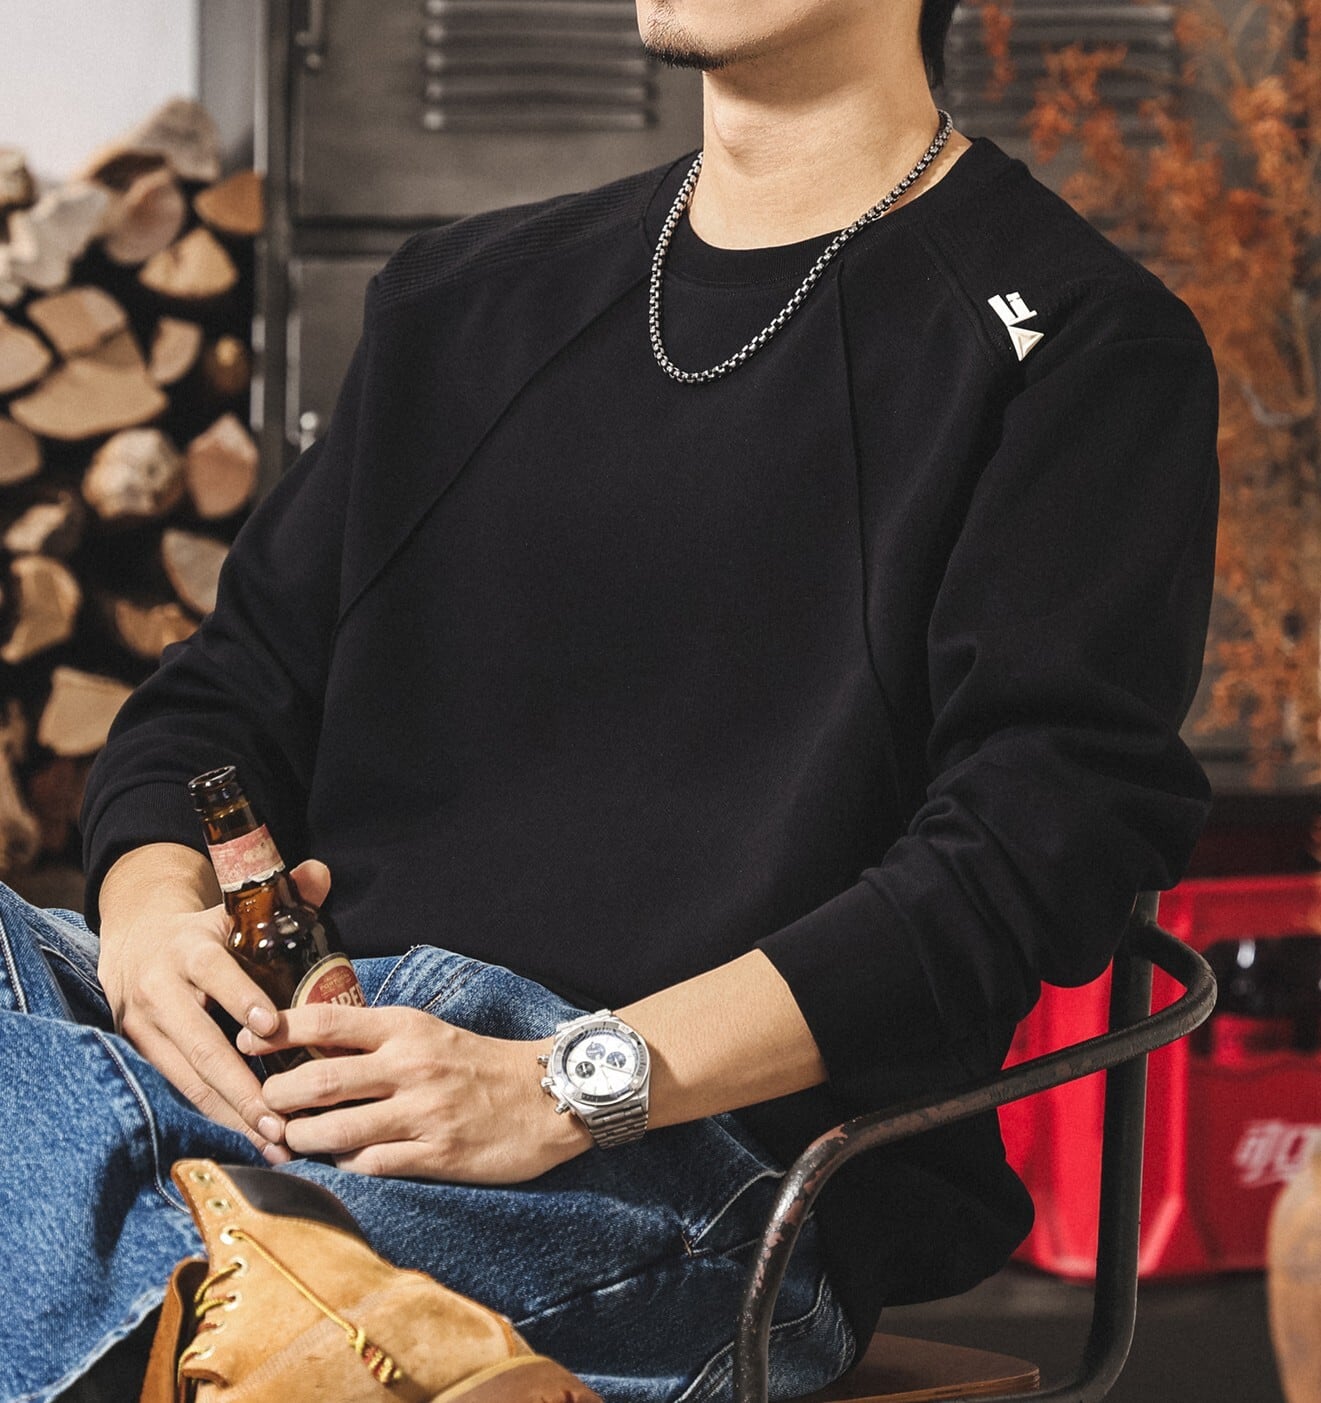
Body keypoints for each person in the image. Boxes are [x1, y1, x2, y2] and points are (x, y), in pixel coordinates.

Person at [0, 0, 1221, 1399]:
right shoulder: (463, 298)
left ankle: (156, 1242)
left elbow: (1022, 859)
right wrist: (151, 925)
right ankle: (212, 1260)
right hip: (298, 1047)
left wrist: (562, 1086)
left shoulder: (1078, 346)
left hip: (673, 1161)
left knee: (78, 1208)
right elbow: (218, 698)